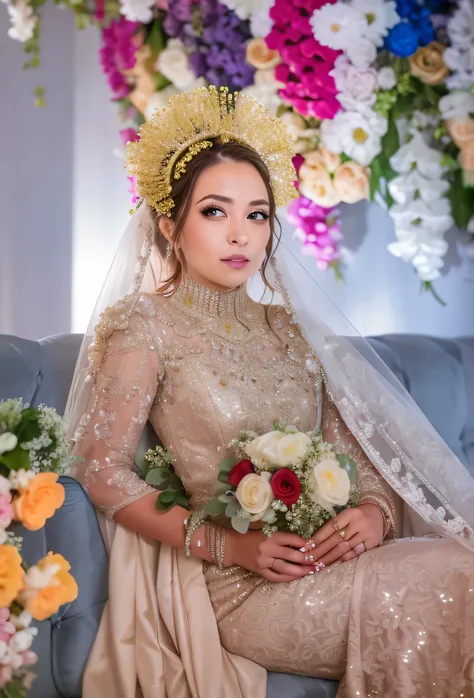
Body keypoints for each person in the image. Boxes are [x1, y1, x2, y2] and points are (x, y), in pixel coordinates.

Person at [66, 86, 474, 698]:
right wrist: (228, 544)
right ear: (168, 225)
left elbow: (360, 461)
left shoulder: (289, 329)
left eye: (257, 214)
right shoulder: (145, 324)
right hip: (248, 585)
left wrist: (371, 513)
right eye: (214, 211)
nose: (241, 235)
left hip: (339, 560)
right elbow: (100, 468)